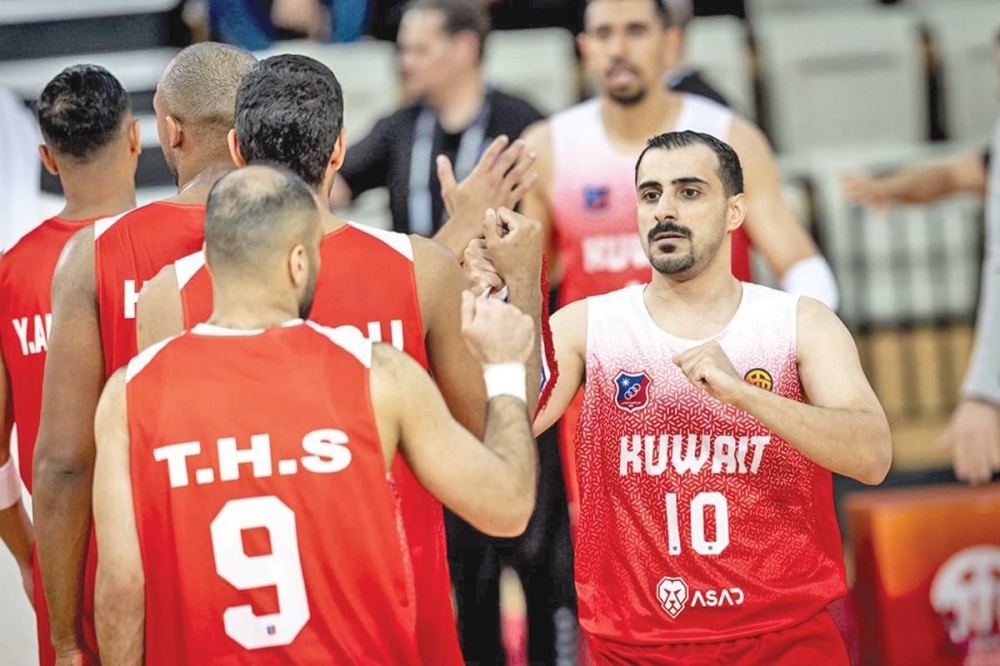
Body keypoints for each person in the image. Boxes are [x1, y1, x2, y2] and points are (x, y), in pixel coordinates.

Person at [135, 53, 543, 666]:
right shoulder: (422, 272)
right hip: (395, 626)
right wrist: (524, 286)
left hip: (230, 634)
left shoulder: (169, 295)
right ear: (339, 150)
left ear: (237, 150)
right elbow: (501, 446)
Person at [467, 130, 892, 664]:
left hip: (784, 640)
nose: (664, 209)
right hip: (636, 648)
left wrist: (746, 396)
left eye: (689, 192)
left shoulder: (799, 322)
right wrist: (517, 292)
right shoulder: (589, 325)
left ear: (735, 211)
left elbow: (873, 456)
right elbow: (513, 419)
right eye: (651, 194)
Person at [507, 0, 839, 542]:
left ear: (672, 43)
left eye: (635, 31)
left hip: (720, 389)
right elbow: (530, 281)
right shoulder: (550, 147)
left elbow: (804, 266)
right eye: (604, 34)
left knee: (742, 556)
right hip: (609, 402)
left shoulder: (727, 136)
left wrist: (793, 356)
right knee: (621, 566)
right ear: (583, 49)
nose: (618, 48)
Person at [32, 42, 256, 666]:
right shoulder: (310, 243)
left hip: (150, 590)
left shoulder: (93, 256)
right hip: (300, 585)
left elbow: (62, 465)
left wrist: (64, 637)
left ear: (168, 132)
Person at [0, 64, 139, 666]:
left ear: (48, 160)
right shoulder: (185, 253)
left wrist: (31, 554)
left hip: (71, 560)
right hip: (174, 541)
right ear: (135, 137)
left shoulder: (10, 274)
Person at [330, 0, 542, 256]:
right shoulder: (401, 125)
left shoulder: (521, 122)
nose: (404, 63)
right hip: (417, 275)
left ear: (465, 47)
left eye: (419, 51)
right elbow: (335, 185)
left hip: (494, 275)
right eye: (402, 51)